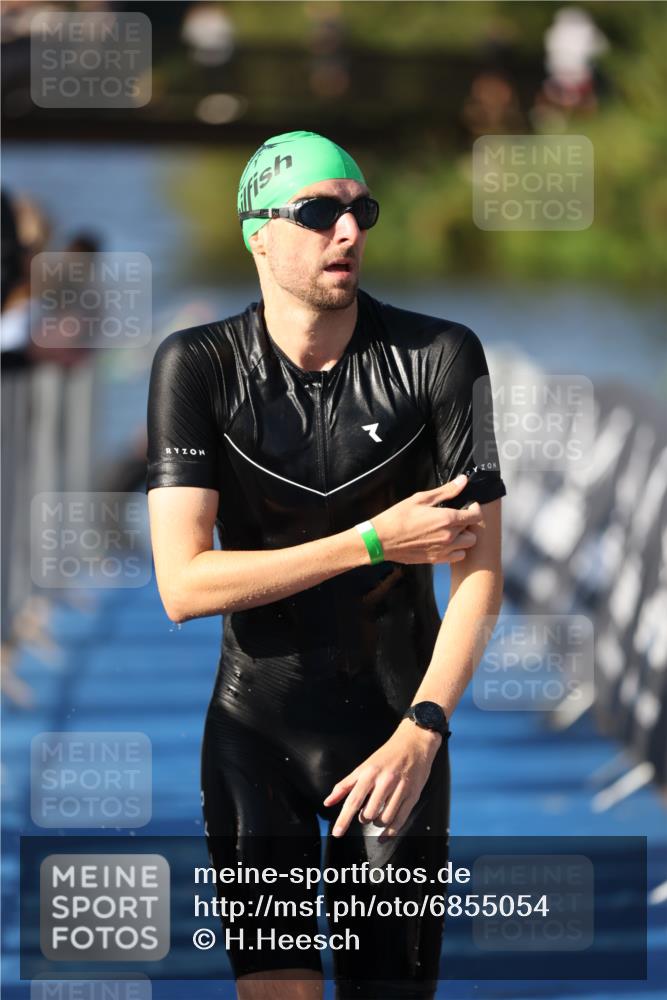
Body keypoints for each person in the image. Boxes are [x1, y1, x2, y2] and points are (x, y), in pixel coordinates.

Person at [146, 130, 507, 1000]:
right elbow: (182, 585)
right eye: (317, 212)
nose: (346, 231)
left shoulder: (439, 358)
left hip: (395, 734)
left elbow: (480, 579)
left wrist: (424, 731)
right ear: (256, 233)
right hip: (256, 735)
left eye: (360, 210)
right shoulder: (196, 367)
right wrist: (372, 541)